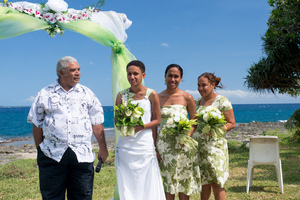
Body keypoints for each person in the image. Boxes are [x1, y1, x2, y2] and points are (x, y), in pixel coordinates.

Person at [27, 56, 108, 200]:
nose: (78, 73)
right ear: (61, 72)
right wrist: (40, 149)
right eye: (73, 70)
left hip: (82, 156)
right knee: (51, 196)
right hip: (51, 155)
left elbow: (96, 123)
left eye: (79, 69)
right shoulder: (45, 94)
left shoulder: (87, 93)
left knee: (82, 196)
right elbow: (37, 124)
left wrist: (103, 148)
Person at [115, 60, 165, 200]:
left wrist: (140, 127)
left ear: (143, 75)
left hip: (144, 142)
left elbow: (157, 120)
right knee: (128, 178)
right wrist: (124, 125)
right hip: (125, 144)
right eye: (129, 74)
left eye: (135, 74)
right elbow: (116, 120)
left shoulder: (151, 94)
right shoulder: (121, 95)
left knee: (146, 177)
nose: (132, 77)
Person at [156, 64, 201, 200]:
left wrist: (186, 136)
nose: (173, 79)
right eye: (170, 75)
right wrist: (154, 147)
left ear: (181, 78)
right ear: (165, 77)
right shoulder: (157, 98)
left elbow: (194, 121)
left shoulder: (187, 97)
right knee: (168, 181)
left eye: (176, 76)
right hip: (164, 145)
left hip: (183, 145)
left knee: (183, 181)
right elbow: (154, 124)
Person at [193, 72, 235, 200]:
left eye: (204, 85)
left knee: (217, 182)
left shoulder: (222, 101)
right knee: (204, 183)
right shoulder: (196, 102)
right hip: (200, 149)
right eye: (199, 85)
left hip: (215, 148)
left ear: (213, 85)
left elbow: (231, 123)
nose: (201, 88)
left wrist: (216, 130)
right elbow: (194, 124)